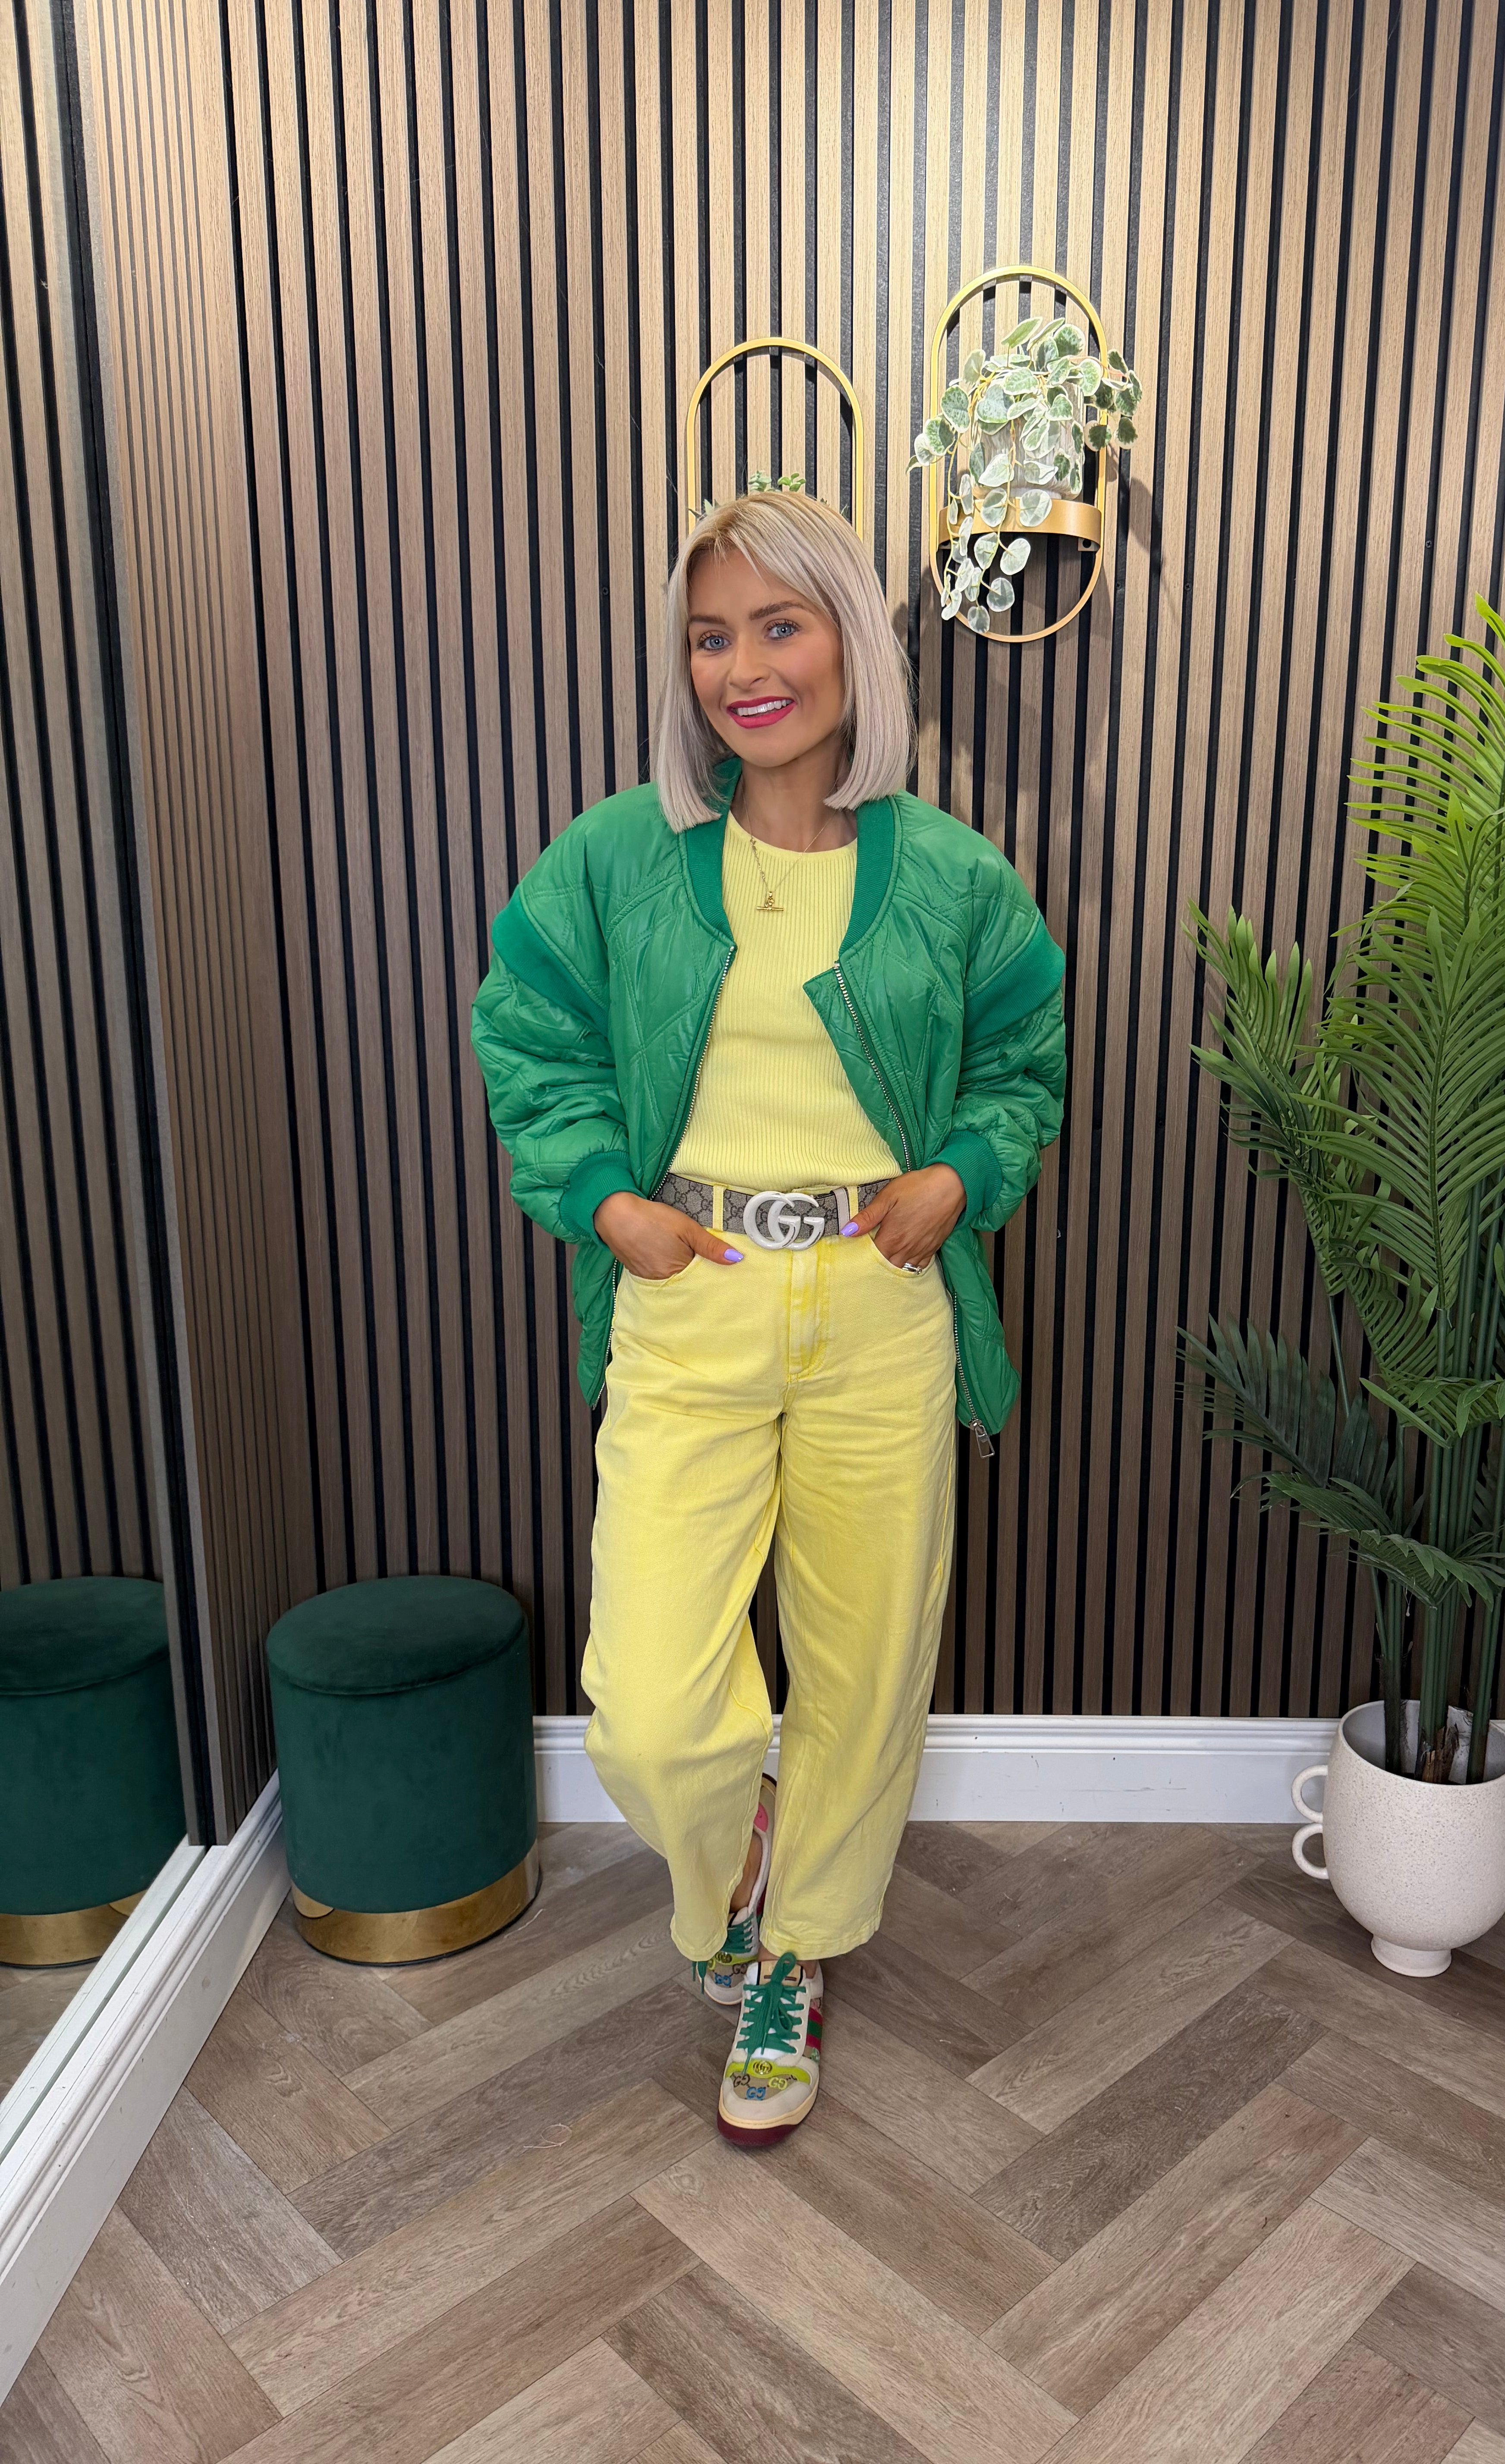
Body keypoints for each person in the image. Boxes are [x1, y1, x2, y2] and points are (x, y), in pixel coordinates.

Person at [469, 490, 1066, 2146]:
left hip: (882, 1303)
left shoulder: (951, 874)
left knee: (866, 1664)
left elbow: (1023, 1063)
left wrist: (960, 1176)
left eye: (779, 626)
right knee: (655, 1706)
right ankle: (738, 1857)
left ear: (849, 643)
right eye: (709, 636)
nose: (744, 666)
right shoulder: (616, 857)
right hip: (693, 1297)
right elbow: (532, 1042)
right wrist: (607, 1203)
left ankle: (792, 1954)